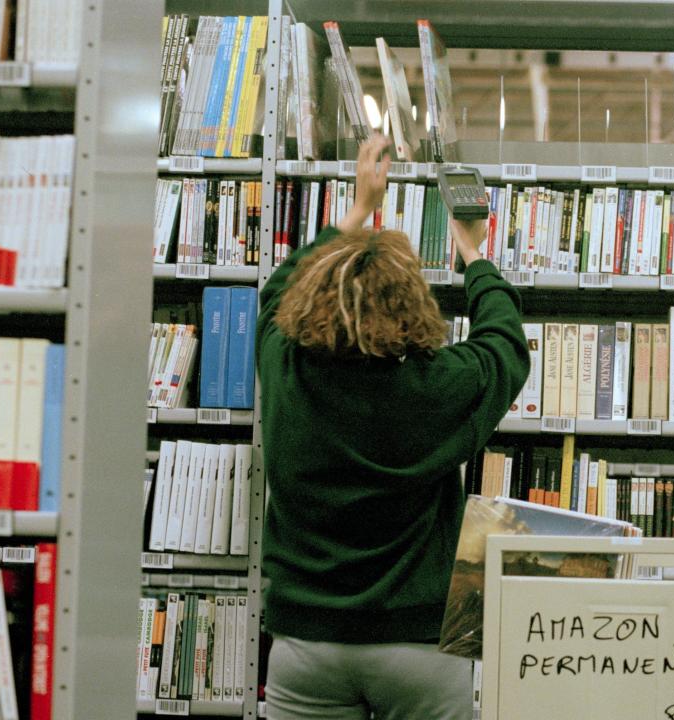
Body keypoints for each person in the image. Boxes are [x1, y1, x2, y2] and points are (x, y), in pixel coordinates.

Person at [257, 135, 531, 720]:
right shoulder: (435, 388)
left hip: (307, 641)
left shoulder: (284, 363)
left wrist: (358, 210)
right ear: (414, 306)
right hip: (419, 647)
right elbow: (504, 344)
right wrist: (474, 254)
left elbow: (278, 289)